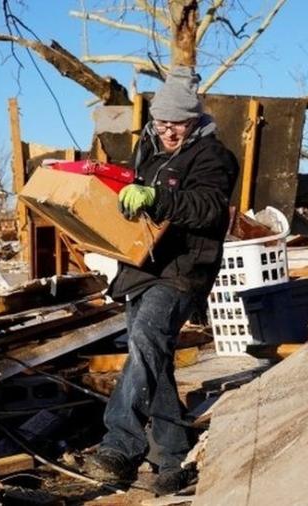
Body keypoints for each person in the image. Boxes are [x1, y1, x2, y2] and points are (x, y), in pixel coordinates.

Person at [83, 66, 239, 495]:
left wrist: (158, 196)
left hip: (184, 270)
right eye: (163, 123)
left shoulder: (215, 157)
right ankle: (173, 454)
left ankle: (119, 445)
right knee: (154, 355)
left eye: (178, 125)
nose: (169, 132)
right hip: (143, 268)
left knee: (146, 340)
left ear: (195, 121)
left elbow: (208, 207)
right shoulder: (147, 148)